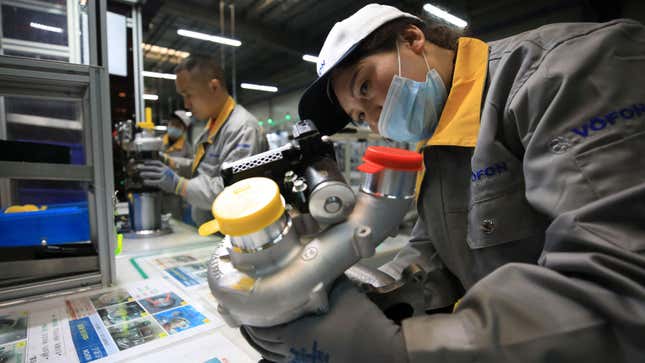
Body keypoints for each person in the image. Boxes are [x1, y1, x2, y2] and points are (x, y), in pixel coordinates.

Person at [241, 4, 645, 362]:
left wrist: (396, 349)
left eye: (365, 86)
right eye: (360, 117)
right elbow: (435, 248)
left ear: (412, 39)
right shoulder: (437, 143)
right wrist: (381, 294)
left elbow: (619, 288)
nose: (376, 120)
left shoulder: (566, 71)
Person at [139, 56, 268, 226]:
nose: (186, 104)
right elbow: (204, 169)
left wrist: (179, 185)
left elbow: (233, 190)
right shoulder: (211, 127)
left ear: (213, 86)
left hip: (236, 237)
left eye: (188, 95)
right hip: (213, 231)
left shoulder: (242, 129)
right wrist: (170, 162)